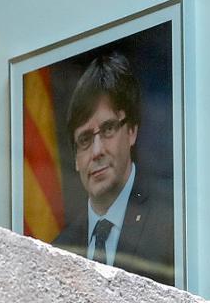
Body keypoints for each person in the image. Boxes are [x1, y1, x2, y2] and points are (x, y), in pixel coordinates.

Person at [53, 51, 174, 286]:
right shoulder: (59, 249)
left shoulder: (172, 223)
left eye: (108, 129)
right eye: (85, 139)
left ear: (132, 131)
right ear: (76, 159)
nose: (96, 151)